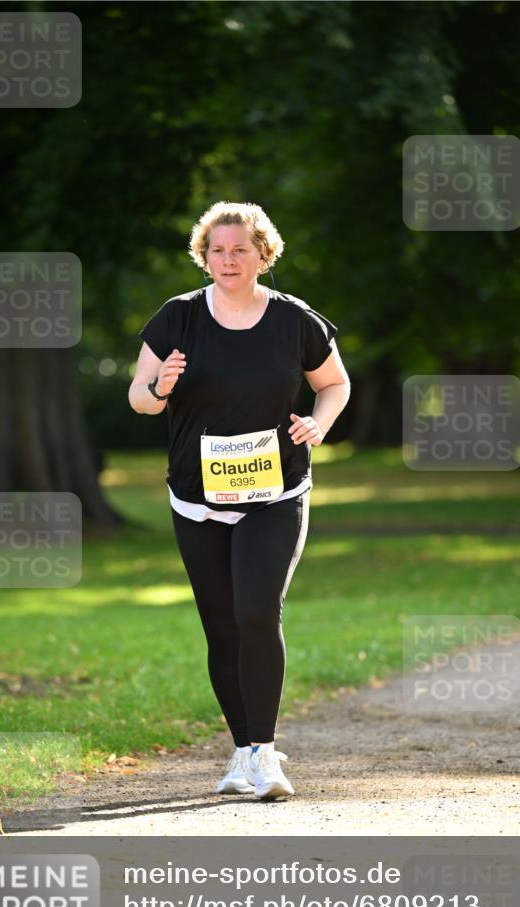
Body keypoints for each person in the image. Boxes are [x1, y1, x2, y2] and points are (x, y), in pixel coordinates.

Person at [129, 201, 350, 800]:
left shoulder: (292, 320)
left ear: (263, 254)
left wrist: (319, 424)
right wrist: (159, 386)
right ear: (203, 257)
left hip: (274, 491)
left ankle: (268, 756)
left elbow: (334, 383)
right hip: (196, 497)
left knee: (257, 610)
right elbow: (139, 399)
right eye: (217, 250)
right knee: (221, 627)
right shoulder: (177, 319)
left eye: (240, 249)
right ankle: (242, 754)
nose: (228, 260)